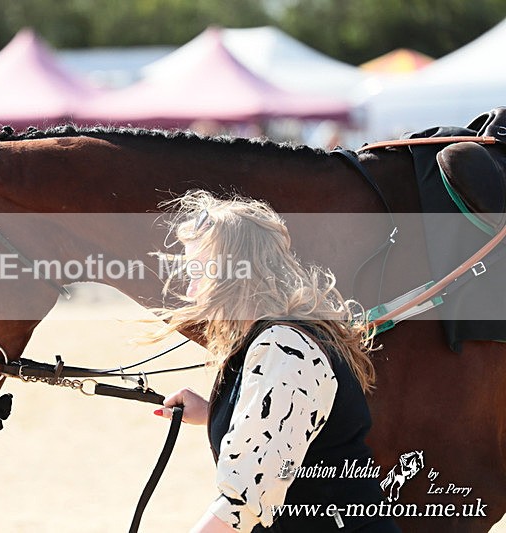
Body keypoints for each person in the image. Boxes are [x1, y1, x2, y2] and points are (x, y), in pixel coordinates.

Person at [151, 191, 399, 532]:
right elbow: (296, 425)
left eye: (197, 272)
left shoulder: (284, 347)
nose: (192, 292)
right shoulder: (284, 337)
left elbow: (243, 502)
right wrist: (217, 413)